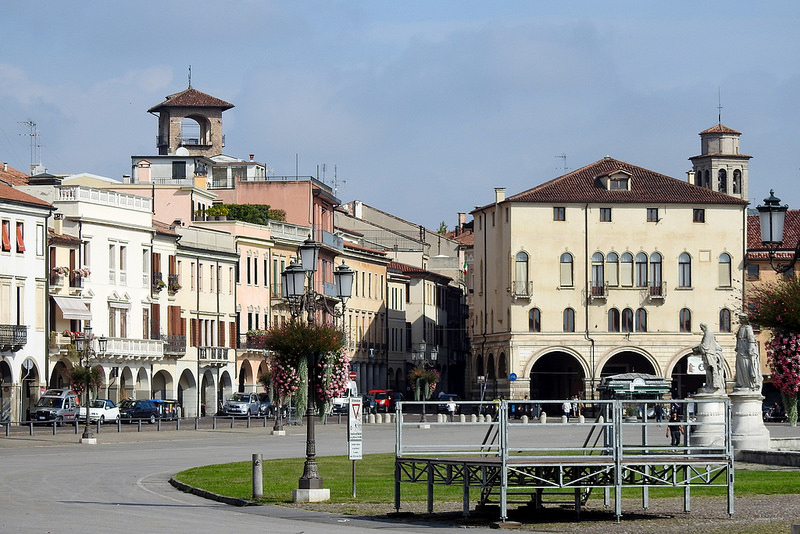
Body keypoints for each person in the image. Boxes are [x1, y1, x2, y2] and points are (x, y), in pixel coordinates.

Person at [693, 322, 726, 392]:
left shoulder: (708, 333)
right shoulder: (708, 333)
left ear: (703, 327)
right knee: (708, 369)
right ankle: (709, 383)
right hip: (708, 354)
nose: (701, 329)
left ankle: (711, 384)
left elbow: (705, 345)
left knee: (710, 369)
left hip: (709, 354)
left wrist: (696, 348)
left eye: (701, 327)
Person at [735, 314, 762, 391]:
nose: (740, 320)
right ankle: (742, 383)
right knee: (740, 367)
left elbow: (751, 338)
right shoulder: (741, 328)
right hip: (740, 350)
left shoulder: (748, 328)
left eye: (741, 318)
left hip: (745, 351)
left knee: (745, 366)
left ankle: (748, 384)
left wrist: (750, 348)